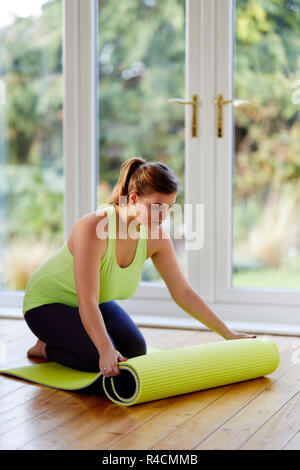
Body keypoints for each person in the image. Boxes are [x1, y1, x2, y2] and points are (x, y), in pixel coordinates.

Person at [23, 157, 256, 378]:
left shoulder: (156, 237)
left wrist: (229, 335)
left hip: (92, 303)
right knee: (97, 358)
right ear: (133, 198)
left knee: (135, 350)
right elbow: (87, 300)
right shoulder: (94, 227)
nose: (163, 215)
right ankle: (45, 348)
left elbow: (182, 292)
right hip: (48, 303)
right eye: (156, 206)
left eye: (169, 206)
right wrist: (105, 349)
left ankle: (72, 340)